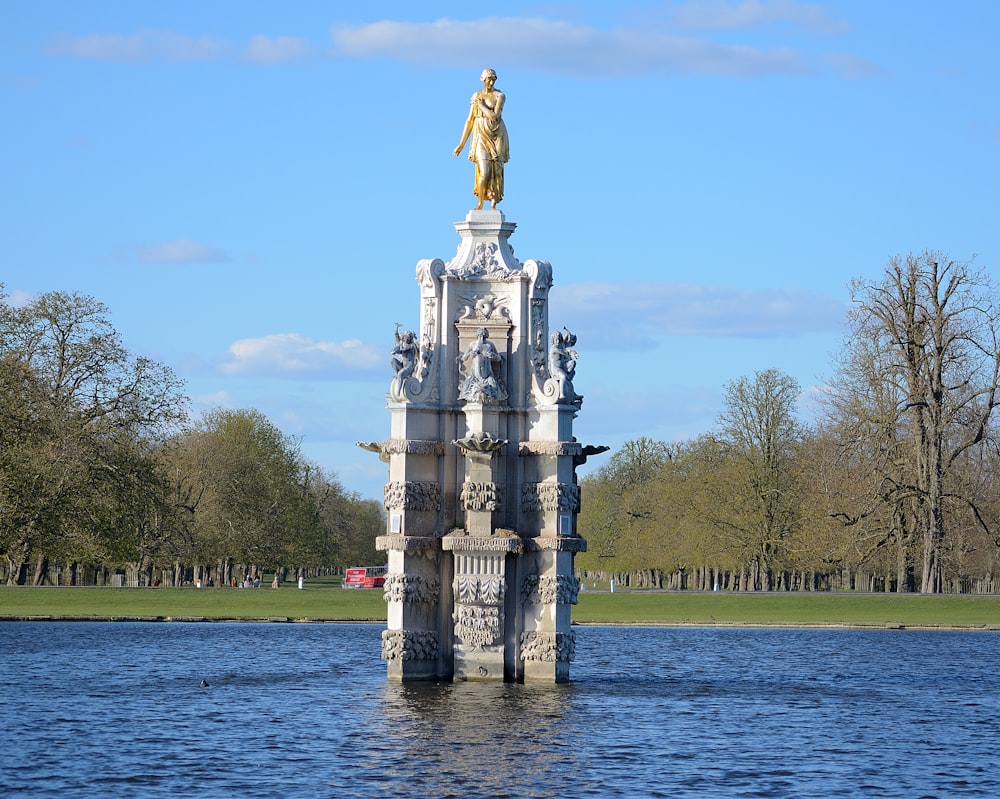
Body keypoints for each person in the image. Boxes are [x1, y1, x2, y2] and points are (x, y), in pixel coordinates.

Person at [453, 68, 509, 209]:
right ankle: (480, 202)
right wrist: (461, 144)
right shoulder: (476, 96)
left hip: (496, 135)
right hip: (480, 135)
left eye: (493, 79)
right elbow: (469, 121)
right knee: (484, 171)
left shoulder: (500, 96)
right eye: (488, 79)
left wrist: (481, 105)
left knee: (496, 170)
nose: (491, 82)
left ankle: (493, 201)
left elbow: (494, 117)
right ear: (483, 80)